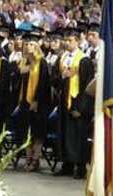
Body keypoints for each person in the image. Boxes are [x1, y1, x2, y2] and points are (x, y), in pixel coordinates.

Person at [56, 28, 93, 179]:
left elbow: (87, 86)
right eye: (66, 40)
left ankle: (80, 167)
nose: (67, 43)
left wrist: (82, 108)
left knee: (78, 135)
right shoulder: (63, 58)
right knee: (65, 133)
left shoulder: (84, 60)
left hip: (78, 102)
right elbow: (55, 79)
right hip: (64, 100)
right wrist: (62, 77)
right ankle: (66, 164)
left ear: (78, 41)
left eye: (70, 40)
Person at [16, 35, 52, 170]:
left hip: (39, 102)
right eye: (27, 44)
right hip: (24, 101)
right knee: (27, 131)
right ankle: (28, 158)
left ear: (37, 46)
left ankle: (35, 160)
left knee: (37, 132)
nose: (28, 46)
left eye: (31, 44)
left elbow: (44, 83)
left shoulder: (41, 62)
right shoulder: (23, 62)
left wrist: (36, 100)